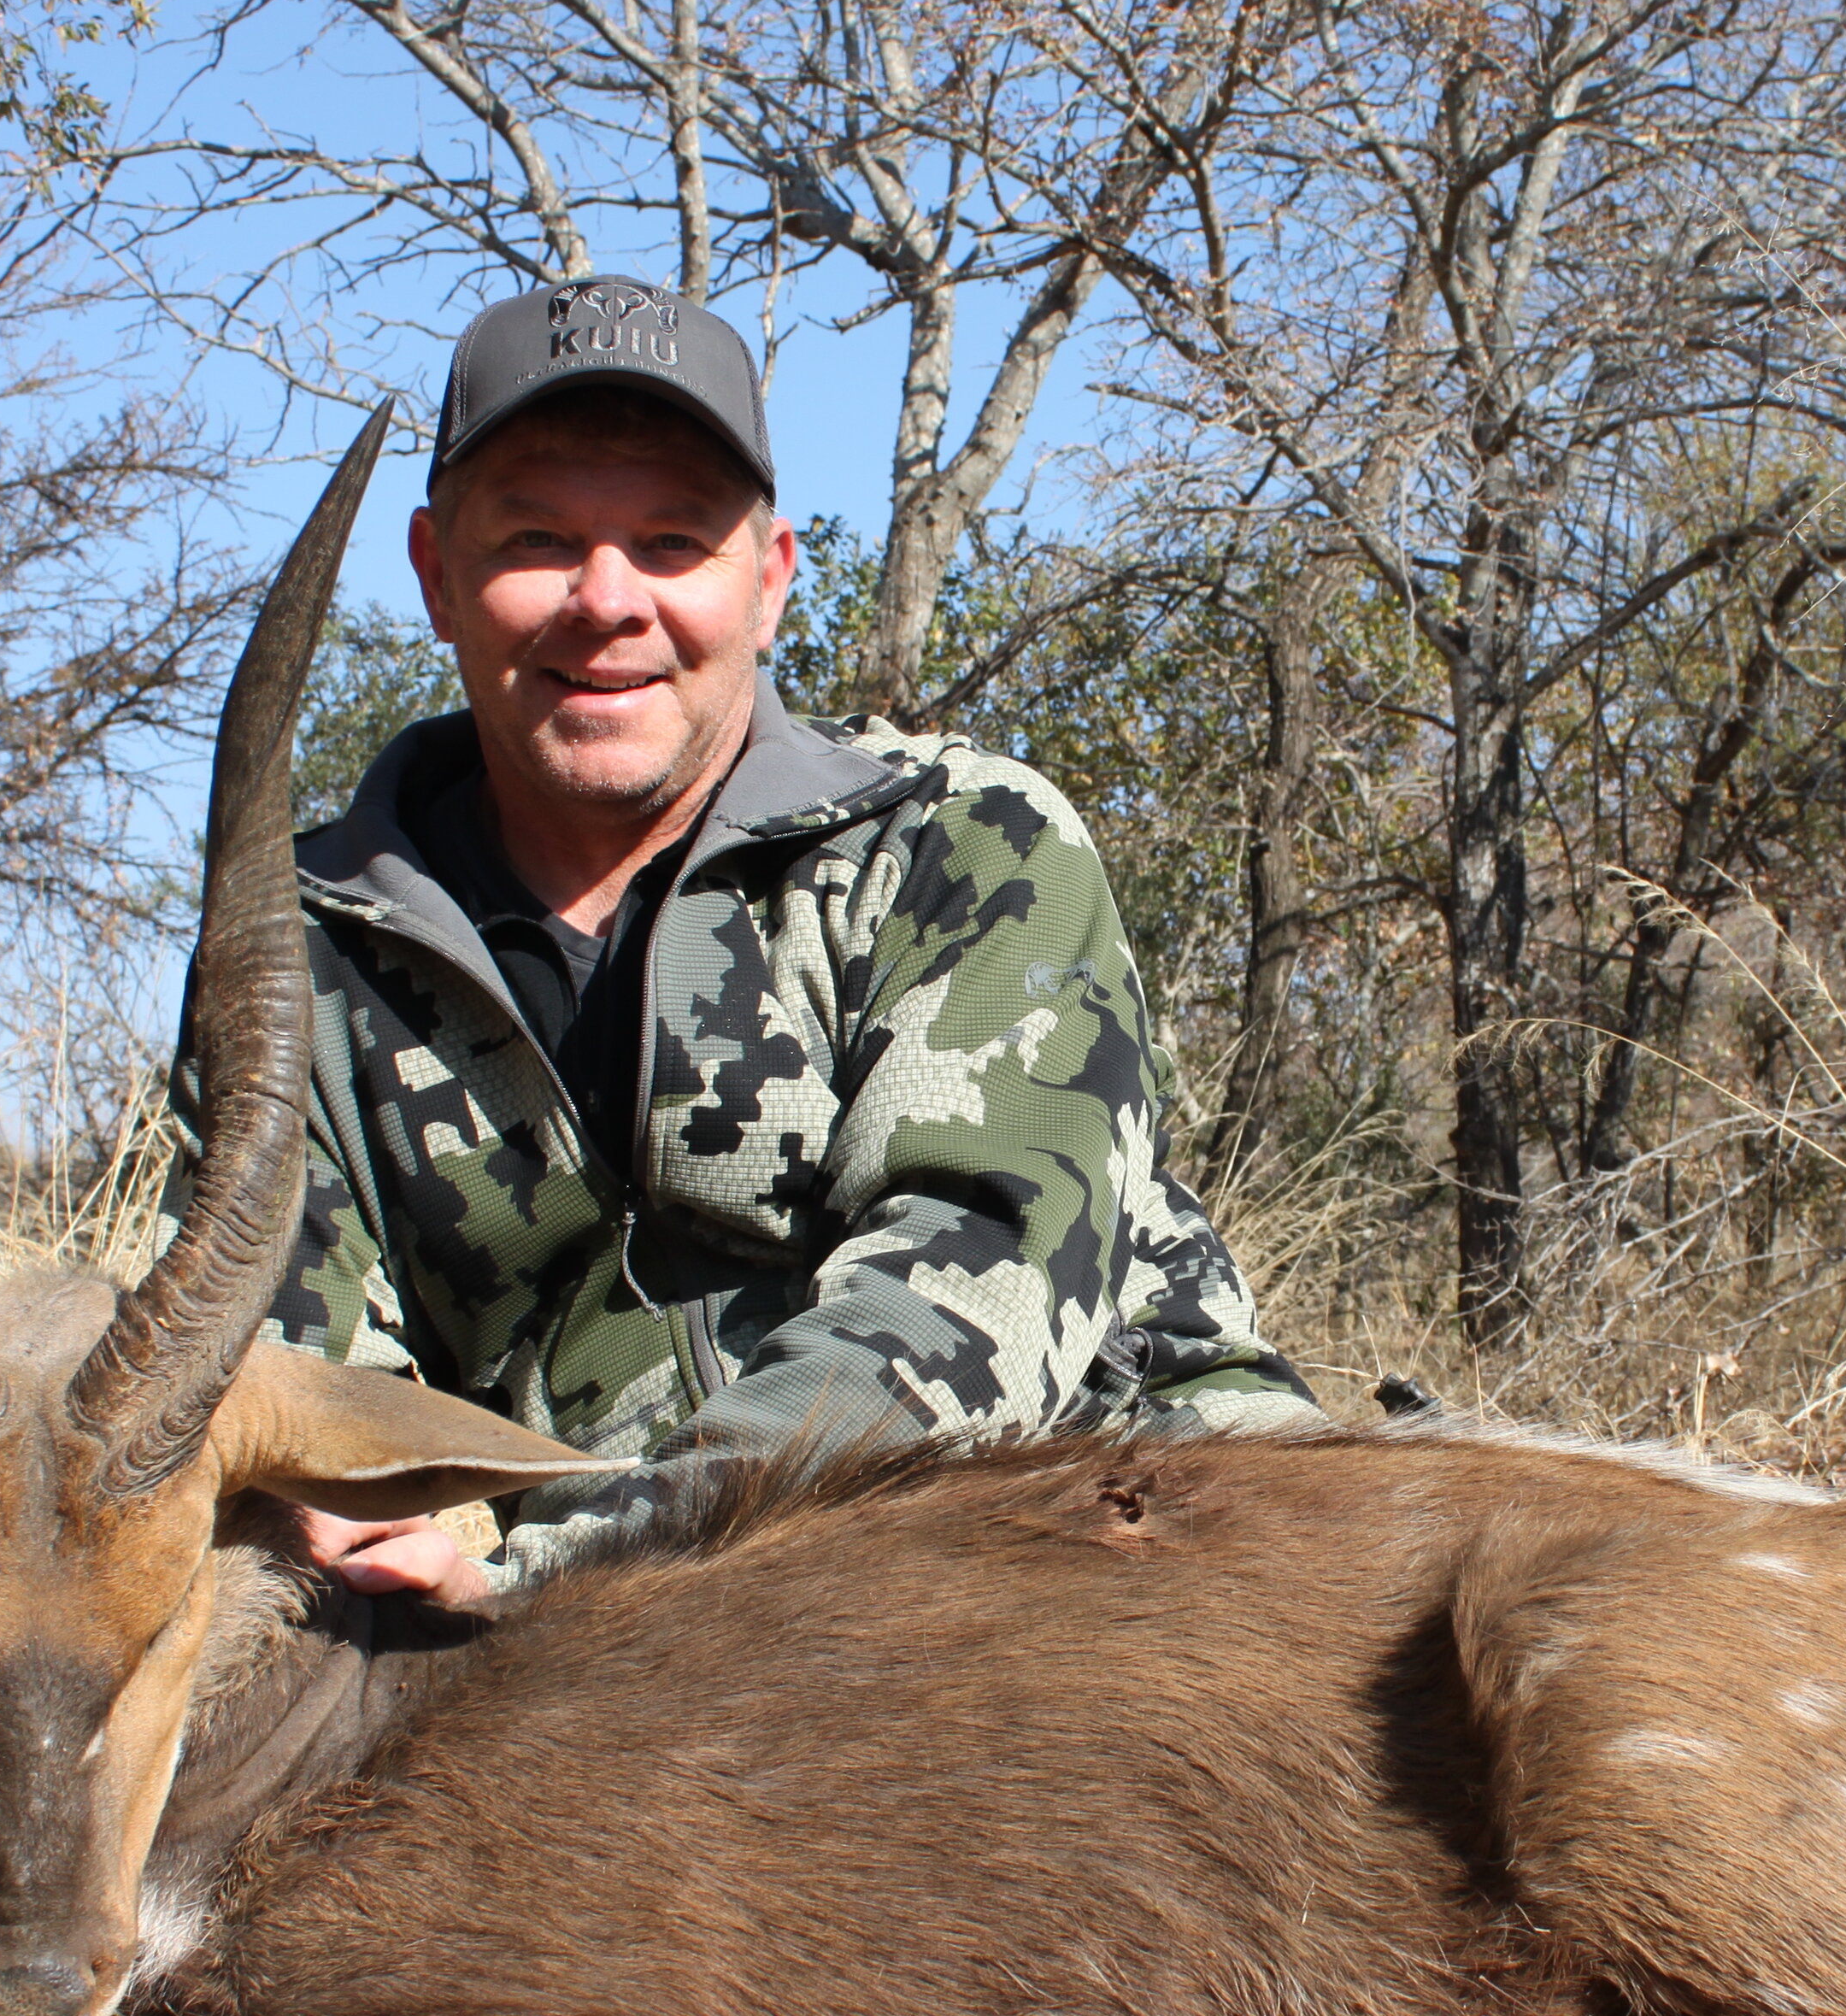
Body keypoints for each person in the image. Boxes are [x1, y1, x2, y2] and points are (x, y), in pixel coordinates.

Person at [175, 275, 1311, 1604]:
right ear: (437, 575)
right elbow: (271, 1377)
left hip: (1123, 1532)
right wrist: (354, 1550)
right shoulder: (291, 948)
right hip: (620, 1661)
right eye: (537, 537)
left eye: (671, 542)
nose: (607, 600)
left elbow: (967, 1321)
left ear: (769, 582)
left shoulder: (967, 843)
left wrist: (550, 1583)